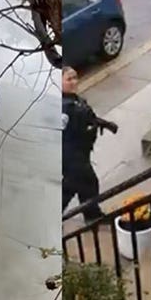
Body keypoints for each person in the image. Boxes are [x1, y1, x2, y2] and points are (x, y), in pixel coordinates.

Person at [62, 67, 118, 224]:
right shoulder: (64, 108)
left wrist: (105, 124)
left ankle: (92, 214)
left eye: (75, 77)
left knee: (86, 184)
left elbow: (88, 117)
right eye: (69, 79)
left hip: (81, 153)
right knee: (72, 187)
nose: (74, 82)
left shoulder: (74, 100)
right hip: (71, 156)